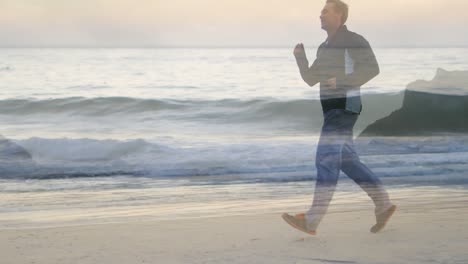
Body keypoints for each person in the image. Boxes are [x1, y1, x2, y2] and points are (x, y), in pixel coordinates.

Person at [282, 0, 396, 235]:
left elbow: (372, 69)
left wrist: (342, 81)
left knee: (325, 158)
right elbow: (311, 78)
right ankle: (383, 204)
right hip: (332, 109)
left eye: (325, 11)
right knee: (347, 162)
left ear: (339, 16)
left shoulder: (354, 40)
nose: (320, 15)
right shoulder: (324, 47)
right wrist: (300, 58)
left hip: (345, 105)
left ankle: (312, 219)